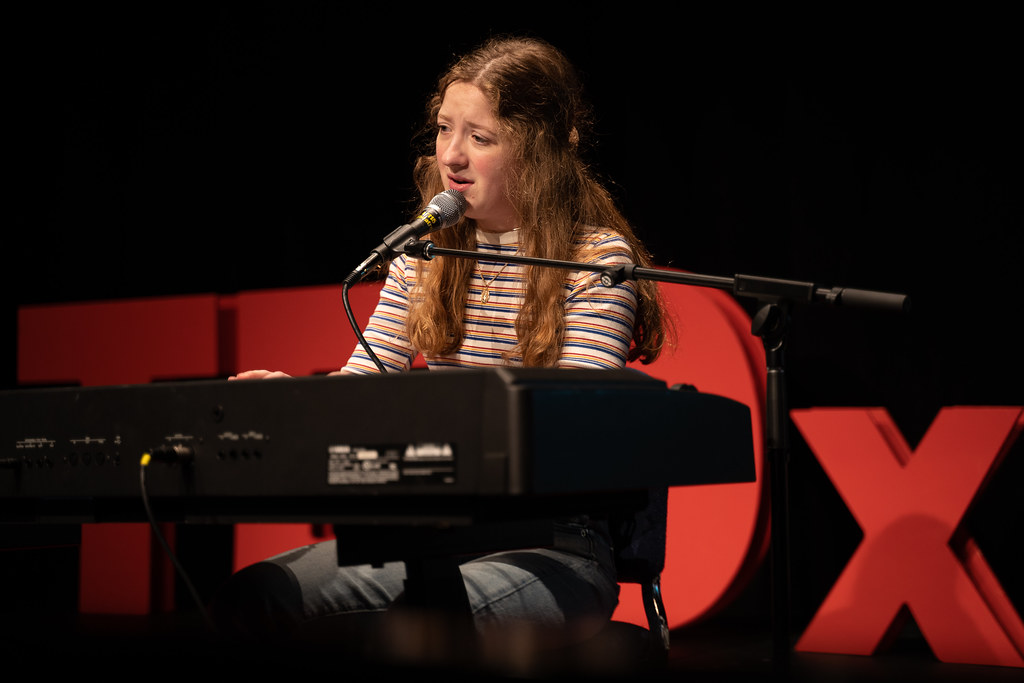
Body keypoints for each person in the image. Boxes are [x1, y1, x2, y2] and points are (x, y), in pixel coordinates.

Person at [216, 35, 669, 656]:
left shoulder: (595, 261)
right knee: (258, 594)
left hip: (554, 547)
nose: (451, 155)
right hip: (434, 536)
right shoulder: (424, 256)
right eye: (443, 129)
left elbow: (573, 430)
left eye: (480, 137)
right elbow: (363, 385)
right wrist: (295, 404)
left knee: (411, 624)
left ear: (538, 150)